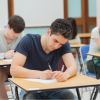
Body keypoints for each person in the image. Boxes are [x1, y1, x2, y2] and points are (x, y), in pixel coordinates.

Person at [10, 18, 78, 100]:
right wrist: (39, 74)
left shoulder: (64, 44)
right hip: (30, 88)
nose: (57, 46)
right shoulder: (28, 40)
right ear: (48, 32)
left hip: (53, 88)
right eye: (55, 40)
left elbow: (73, 66)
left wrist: (65, 75)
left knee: (72, 98)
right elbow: (14, 69)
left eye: (61, 44)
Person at [0, 15, 25, 100]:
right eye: (14, 32)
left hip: (18, 68)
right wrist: (4, 55)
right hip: (3, 69)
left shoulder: (21, 35)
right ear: (8, 26)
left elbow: (26, 51)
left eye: (19, 33)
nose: (16, 35)